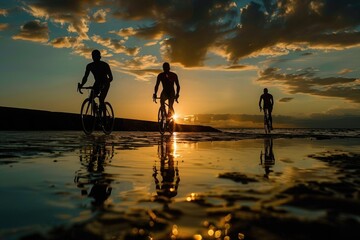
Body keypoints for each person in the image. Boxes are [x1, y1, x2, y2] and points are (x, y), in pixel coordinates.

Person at [79, 49, 113, 117]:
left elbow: (111, 78)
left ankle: (104, 117)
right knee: (91, 98)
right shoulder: (89, 66)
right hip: (97, 83)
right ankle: (97, 114)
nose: (94, 58)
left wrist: (104, 84)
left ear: (99, 57)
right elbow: (85, 77)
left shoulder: (105, 65)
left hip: (105, 83)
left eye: (96, 56)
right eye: (93, 56)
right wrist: (81, 85)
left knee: (101, 99)